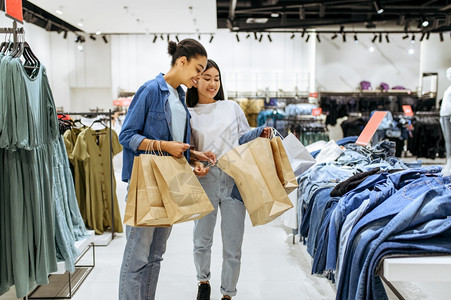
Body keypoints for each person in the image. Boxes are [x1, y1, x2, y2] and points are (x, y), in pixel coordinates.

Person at [118, 38, 215, 300]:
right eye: (198, 69)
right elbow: (126, 136)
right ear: (181, 62)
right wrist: (162, 145)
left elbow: (175, 144)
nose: (199, 76)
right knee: (137, 255)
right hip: (146, 185)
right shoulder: (150, 90)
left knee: (156, 255)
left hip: (169, 184)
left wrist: (193, 156)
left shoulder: (180, 96)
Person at [187, 59, 271, 300]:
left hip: (234, 178)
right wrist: (195, 163)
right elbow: (187, 149)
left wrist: (259, 133)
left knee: (233, 243)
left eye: (216, 79)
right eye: (206, 78)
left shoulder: (231, 107)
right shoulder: (188, 112)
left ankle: (228, 293)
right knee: (201, 239)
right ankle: (203, 281)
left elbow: (243, 136)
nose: (213, 83)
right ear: (196, 81)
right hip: (205, 179)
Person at [440, 67, 451, 175]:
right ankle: (448, 161)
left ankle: (450, 162)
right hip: (444, 116)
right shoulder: (449, 88)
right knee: (447, 141)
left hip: (448, 116)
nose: (448, 75)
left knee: (449, 141)